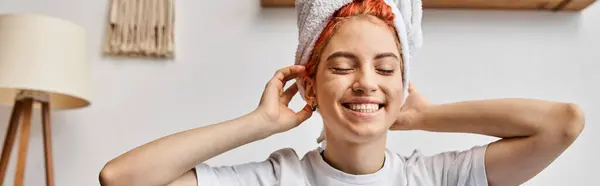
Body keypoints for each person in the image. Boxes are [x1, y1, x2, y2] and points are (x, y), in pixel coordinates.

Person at [98, 0, 586, 185]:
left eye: (385, 68)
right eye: (342, 66)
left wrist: (423, 117)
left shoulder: (436, 179)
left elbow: (563, 123)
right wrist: (260, 123)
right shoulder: (277, 179)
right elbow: (121, 178)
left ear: (401, 83)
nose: (366, 82)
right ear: (309, 84)